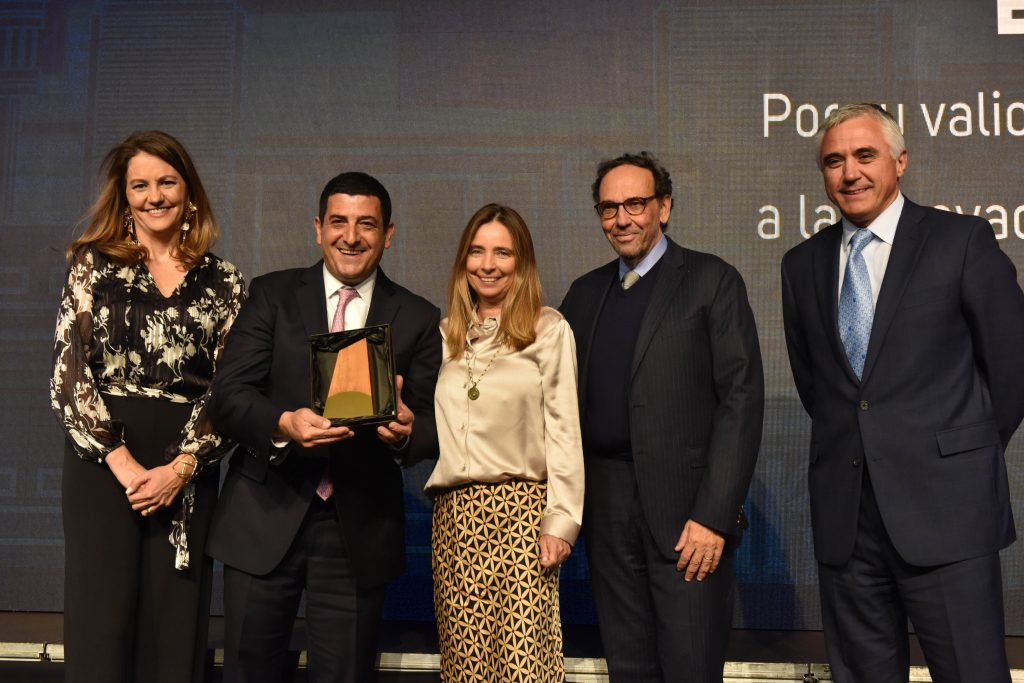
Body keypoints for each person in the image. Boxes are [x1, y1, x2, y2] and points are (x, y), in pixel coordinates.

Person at [781, 103, 1024, 682]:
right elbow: (819, 388)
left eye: (865, 155)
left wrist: (959, 456)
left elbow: (1012, 367)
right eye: (834, 161)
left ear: (901, 161)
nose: (850, 173)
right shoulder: (802, 264)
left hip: (949, 514)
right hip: (848, 526)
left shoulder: (960, 240)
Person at [207, 171, 442, 683]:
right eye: (338, 222)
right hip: (264, 515)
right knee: (248, 671)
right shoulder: (272, 294)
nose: (350, 237)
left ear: (388, 233)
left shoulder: (420, 317)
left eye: (366, 224)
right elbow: (227, 397)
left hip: (357, 530)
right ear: (318, 228)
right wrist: (283, 423)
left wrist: (407, 432)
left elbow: (432, 425)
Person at [560, 152, 764, 681]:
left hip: (688, 516)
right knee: (628, 668)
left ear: (664, 207)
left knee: (691, 667)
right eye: (609, 208)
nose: (621, 219)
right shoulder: (583, 294)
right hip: (606, 510)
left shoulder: (711, 280)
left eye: (635, 204)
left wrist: (714, 516)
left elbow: (741, 402)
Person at [50, 130, 245, 683]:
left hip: (185, 470)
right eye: (140, 185)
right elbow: (68, 374)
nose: (154, 196)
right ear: (124, 195)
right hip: (102, 466)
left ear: (189, 193)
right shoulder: (92, 265)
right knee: (100, 620)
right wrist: (122, 462)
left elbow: (231, 390)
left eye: (167, 182)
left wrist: (179, 469)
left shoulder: (225, 281)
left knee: (173, 626)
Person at [426, 204, 584, 682]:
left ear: (522, 262)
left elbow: (564, 430)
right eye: (476, 252)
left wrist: (561, 522)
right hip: (456, 521)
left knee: (522, 665)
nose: (488, 265)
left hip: (522, 517)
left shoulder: (547, 329)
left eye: (502, 253)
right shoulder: (446, 336)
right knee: (465, 667)